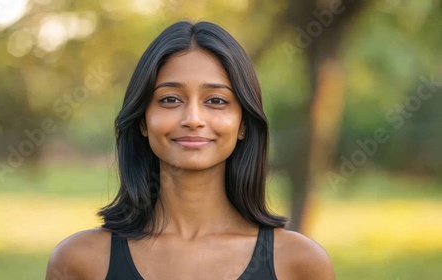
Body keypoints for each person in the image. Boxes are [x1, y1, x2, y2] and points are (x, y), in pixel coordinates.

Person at [45, 20, 335, 280]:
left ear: (243, 123)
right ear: (143, 121)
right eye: (170, 99)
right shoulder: (80, 262)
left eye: (216, 101)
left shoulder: (299, 264)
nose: (193, 119)